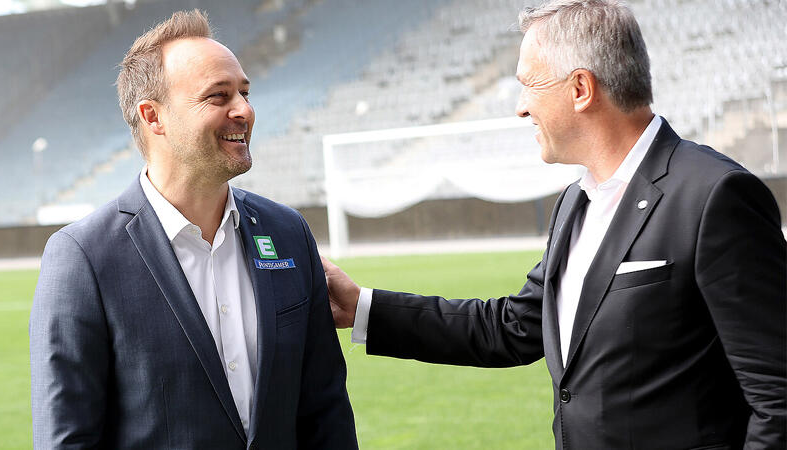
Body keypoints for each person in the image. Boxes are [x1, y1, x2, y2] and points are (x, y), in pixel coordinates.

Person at [322, 1, 786, 448]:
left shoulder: (715, 195)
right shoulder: (575, 201)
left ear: (580, 88)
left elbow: (778, 399)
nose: (521, 108)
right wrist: (362, 307)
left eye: (529, 85)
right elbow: (513, 328)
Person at [30, 10, 357, 449]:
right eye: (218, 96)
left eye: (244, 92)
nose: (243, 110)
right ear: (153, 116)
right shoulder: (82, 256)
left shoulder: (287, 232)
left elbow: (326, 410)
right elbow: (68, 439)